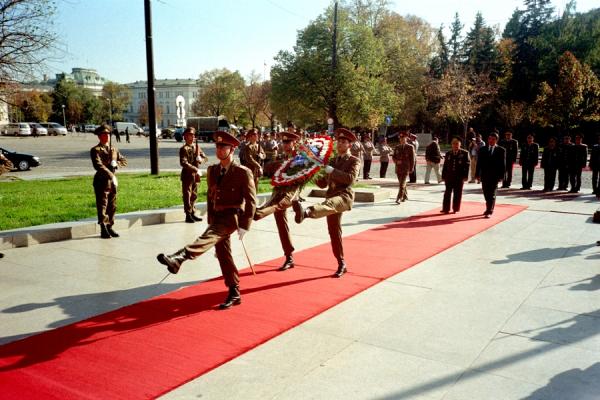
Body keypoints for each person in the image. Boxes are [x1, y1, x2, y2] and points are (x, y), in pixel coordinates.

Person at [156, 131, 257, 309]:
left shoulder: (242, 172)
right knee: (224, 255)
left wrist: (245, 225)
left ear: (232, 149)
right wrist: (210, 218)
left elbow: (251, 200)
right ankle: (234, 291)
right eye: (217, 146)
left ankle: (179, 257)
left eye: (223, 147)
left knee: (208, 237)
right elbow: (211, 197)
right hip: (217, 217)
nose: (219, 150)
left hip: (232, 217)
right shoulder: (213, 170)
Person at [291, 128, 360, 278]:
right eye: (339, 141)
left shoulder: (354, 160)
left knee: (331, 204)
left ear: (349, 145)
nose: (340, 144)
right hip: (331, 196)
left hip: (344, 197)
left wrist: (331, 171)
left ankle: (306, 212)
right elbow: (323, 184)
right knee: (334, 232)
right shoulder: (333, 161)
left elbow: (350, 179)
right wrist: (312, 173)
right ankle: (341, 263)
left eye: (344, 142)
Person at [253, 130, 301, 271]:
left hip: (291, 193)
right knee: (281, 224)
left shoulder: (300, 158)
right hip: (278, 191)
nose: (285, 145)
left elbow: (297, 176)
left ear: (294, 143)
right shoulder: (281, 157)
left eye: (288, 142)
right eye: (283, 142)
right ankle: (289, 257)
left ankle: (258, 214)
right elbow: (272, 172)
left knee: (277, 207)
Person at [90, 124, 127, 238]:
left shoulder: (113, 149)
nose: (106, 136)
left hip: (112, 182)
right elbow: (98, 166)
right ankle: (103, 227)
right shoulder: (95, 150)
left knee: (112, 205)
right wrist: (111, 174)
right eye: (103, 135)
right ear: (99, 137)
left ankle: (110, 226)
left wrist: (116, 164)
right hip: (102, 180)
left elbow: (124, 160)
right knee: (103, 205)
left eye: (107, 134)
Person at [180, 127, 207, 223]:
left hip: (196, 175)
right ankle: (188, 214)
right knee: (187, 195)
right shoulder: (184, 149)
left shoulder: (197, 147)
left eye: (192, 135)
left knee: (194, 195)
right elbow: (183, 163)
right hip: (187, 175)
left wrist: (201, 159)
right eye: (188, 135)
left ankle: (192, 212)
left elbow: (205, 158)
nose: (190, 137)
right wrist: (195, 169)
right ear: (185, 137)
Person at [475, 132, 506, 218]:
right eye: (490, 139)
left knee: (492, 193)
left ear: (496, 140)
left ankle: (489, 210)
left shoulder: (501, 150)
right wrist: (477, 174)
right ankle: (489, 206)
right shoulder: (482, 149)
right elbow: (479, 163)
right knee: (486, 193)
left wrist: (501, 176)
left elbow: (503, 165)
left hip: (495, 176)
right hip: (484, 175)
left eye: (493, 139)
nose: (491, 141)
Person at [441, 137, 470, 213]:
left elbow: (467, 166)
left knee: (457, 193)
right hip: (449, 176)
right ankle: (445, 208)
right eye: (453, 143)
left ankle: (456, 208)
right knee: (447, 193)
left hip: (459, 177)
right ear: (451, 144)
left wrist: (465, 176)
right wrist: (443, 176)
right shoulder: (448, 153)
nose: (455, 145)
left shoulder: (464, 153)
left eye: (457, 143)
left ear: (460, 144)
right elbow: (445, 166)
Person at [392, 132, 416, 204]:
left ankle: (399, 197)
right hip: (398, 168)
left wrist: (411, 168)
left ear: (406, 139)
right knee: (401, 183)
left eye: (403, 138)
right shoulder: (397, 147)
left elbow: (412, 159)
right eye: (400, 138)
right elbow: (393, 157)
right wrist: (396, 161)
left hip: (406, 168)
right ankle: (405, 195)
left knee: (402, 183)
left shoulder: (410, 147)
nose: (402, 140)